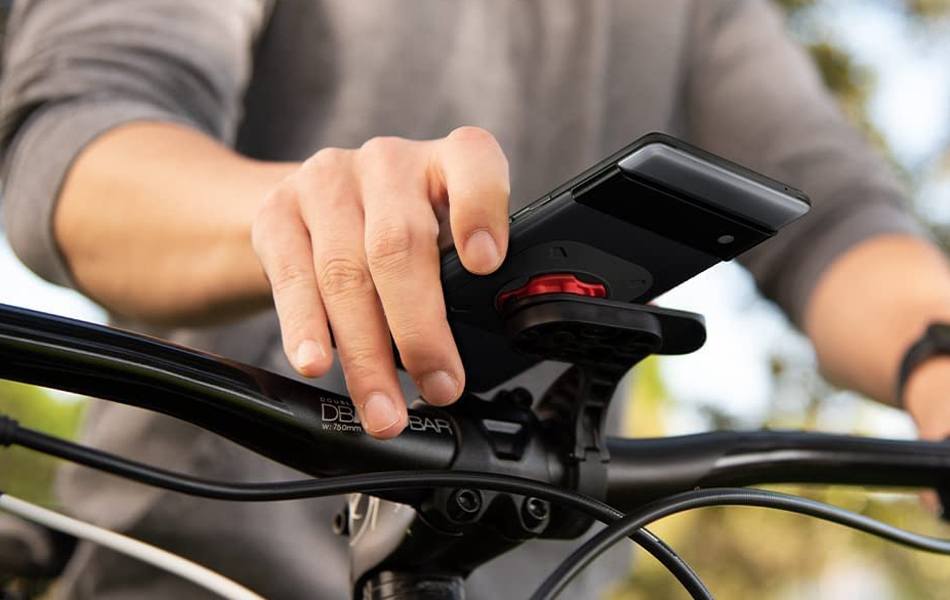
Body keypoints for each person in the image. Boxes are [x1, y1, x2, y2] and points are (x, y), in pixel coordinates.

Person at [2, 1, 950, 598]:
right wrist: (296, 215)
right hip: (191, 569)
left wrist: (934, 356)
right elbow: (80, 136)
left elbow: (837, 221)